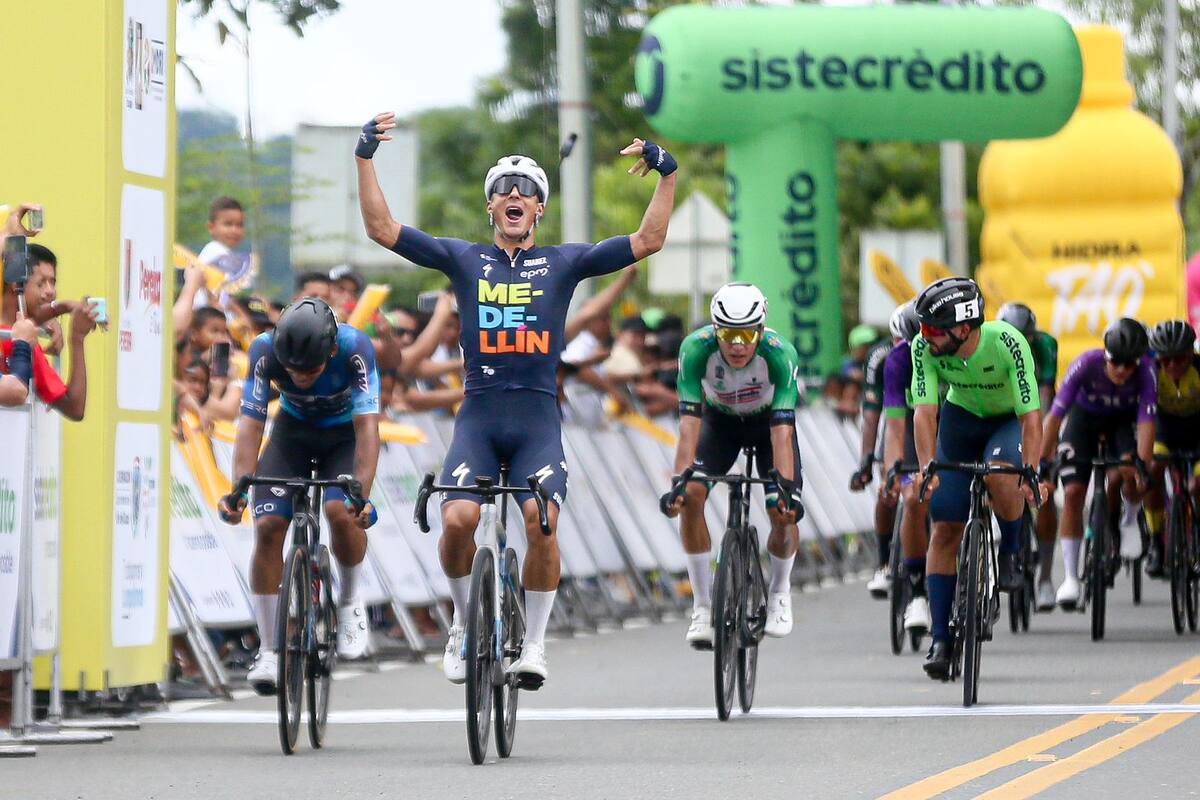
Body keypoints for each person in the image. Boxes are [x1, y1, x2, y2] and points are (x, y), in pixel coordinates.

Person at [356, 110, 677, 685]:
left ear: (539, 209)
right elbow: (383, 230)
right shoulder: (463, 258)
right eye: (502, 188)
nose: (513, 194)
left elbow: (649, 240)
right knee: (456, 520)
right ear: (490, 206)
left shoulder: (564, 262)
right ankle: (460, 623)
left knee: (540, 522)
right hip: (478, 415)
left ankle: (533, 644)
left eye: (526, 190)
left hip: (535, 419)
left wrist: (667, 176)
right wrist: (364, 159)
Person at [217, 298, 381, 694]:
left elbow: (368, 431)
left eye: (311, 370)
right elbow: (250, 426)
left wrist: (363, 498)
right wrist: (240, 486)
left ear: (331, 351)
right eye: (292, 371)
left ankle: (350, 600)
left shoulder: (356, 348)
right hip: (292, 433)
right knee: (269, 526)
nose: (301, 377)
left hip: (343, 437)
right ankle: (270, 650)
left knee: (341, 511)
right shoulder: (263, 350)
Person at [911, 277, 1041, 679]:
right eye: (923, 328)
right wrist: (927, 467)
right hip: (960, 421)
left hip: (1006, 423)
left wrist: (1030, 473)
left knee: (1004, 478)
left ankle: (1013, 548)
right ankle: (941, 640)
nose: (924, 336)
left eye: (934, 329)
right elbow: (924, 411)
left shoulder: (1008, 343)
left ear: (963, 328)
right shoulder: (924, 347)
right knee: (945, 528)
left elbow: (1031, 417)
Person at [661, 283, 804, 646]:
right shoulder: (695, 349)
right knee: (691, 495)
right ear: (714, 329)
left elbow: (783, 433)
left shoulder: (779, 354)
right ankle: (703, 607)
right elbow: (689, 425)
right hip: (720, 424)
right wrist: (679, 481)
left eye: (746, 334)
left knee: (780, 511)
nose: (737, 345)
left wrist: (786, 489)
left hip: (768, 426)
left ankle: (779, 593)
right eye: (727, 333)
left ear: (760, 329)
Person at [1038, 317, 1155, 609]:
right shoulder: (1086, 363)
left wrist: (1142, 465)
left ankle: (1129, 519)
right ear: (1106, 355)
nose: (1122, 370)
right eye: (1116, 362)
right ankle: (1071, 578)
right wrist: (1043, 459)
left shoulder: (1147, 373)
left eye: (1130, 364)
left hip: (1121, 424)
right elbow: (1054, 417)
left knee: (1128, 469)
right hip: (1084, 420)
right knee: (1074, 492)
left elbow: (1147, 424)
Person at [998, 302, 1060, 610]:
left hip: (1035, 414)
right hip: (1003, 414)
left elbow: (1046, 398)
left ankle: (1046, 576)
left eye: (1028, 338)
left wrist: (1043, 448)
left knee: (1046, 489)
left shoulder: (1046, 345)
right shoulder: (993, 345)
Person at [882, 301, 931, 634]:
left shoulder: (951, 353)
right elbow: (895, 426)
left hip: (952, 422)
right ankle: (917, 592)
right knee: (913, 498)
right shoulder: (897, 360)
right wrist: (892, 472)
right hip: (916, 429)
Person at [1142, 320, 1199, 577]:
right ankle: (1155, 540)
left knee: (1199, 482)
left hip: (1196, 433)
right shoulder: (1149, 373)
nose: (1173, 365)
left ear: (1191, 354)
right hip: (1165, 430)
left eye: (1180, 359)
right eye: (1167, 360)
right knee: (1152, 470)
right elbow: (1141, 417)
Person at [848, 320, 896, 598]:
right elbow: (871, 412)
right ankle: (884, 561)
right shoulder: (880, 356)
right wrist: (866, 460)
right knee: (887, 489)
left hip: (931, 418)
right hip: (897, 419)